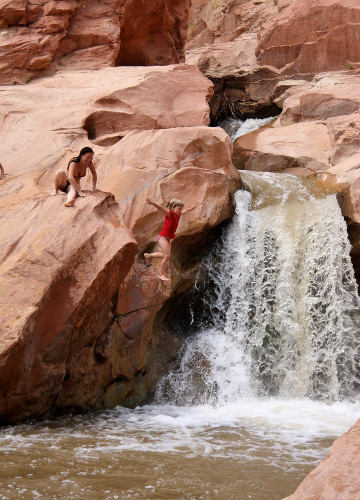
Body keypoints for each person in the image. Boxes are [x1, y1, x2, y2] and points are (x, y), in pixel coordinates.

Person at [144, 197, 197, 281]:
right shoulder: (170, 213)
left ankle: (148, 255)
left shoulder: (178, 214)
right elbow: (161, 208)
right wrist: (152, 203)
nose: (181, 210)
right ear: (173, 207)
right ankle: (161, 275)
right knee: (167, 256)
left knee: (165, 256)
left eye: (181, 208)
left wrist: (191, 208)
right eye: (179, 208)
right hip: (163, 237)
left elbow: (185, 211)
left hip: (168, 238)